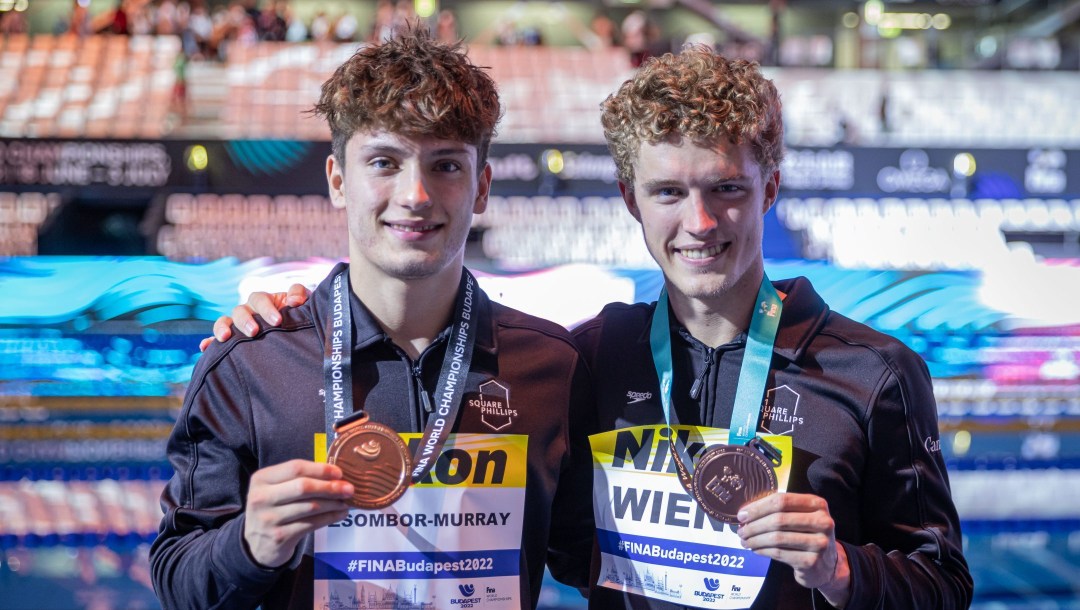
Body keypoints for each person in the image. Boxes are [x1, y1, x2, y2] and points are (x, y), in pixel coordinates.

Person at [216, 47, 972, 609]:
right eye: (669, 190)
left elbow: (943, 585)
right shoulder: (592, 357)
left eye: (728, 189)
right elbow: (566, 546)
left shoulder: (876, 373)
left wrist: (840, 571)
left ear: (769, 186)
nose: (700, 222)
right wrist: (299, 319)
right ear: (629, 198)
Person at [151, 25, 594, 610]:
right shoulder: (250, 364)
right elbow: (178, 580)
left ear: (482, 187)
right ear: (338, 181)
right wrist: (251, 544)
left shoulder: (549, 367)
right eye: (384, 161)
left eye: (447, 166)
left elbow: (601, 560)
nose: (415, 194)